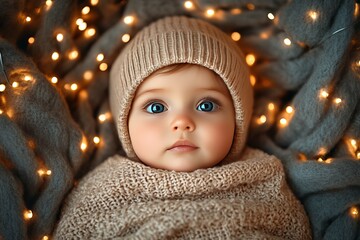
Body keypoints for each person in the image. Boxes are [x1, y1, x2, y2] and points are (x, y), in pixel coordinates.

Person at [54, 16, 311, 239]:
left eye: (207, 105)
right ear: (125, 123)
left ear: (237, 119)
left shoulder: (263, 182)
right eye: (156, 107)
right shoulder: (103, 191)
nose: (182, 122)